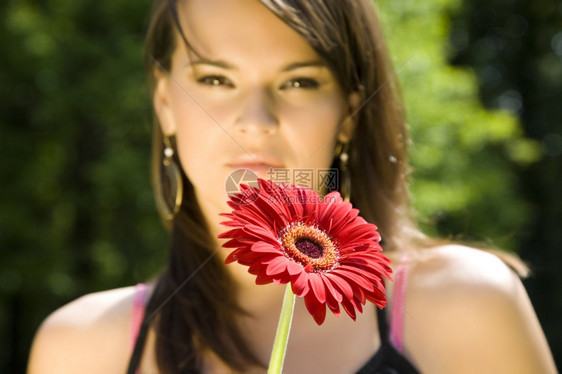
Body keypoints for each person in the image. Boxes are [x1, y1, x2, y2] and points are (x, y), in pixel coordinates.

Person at [27, 0, 556, 373]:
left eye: (299, 81)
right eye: (216, 79)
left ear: (349, 114)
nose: (255, 120)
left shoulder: (464, 304)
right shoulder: (80, 348)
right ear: (165, 102)